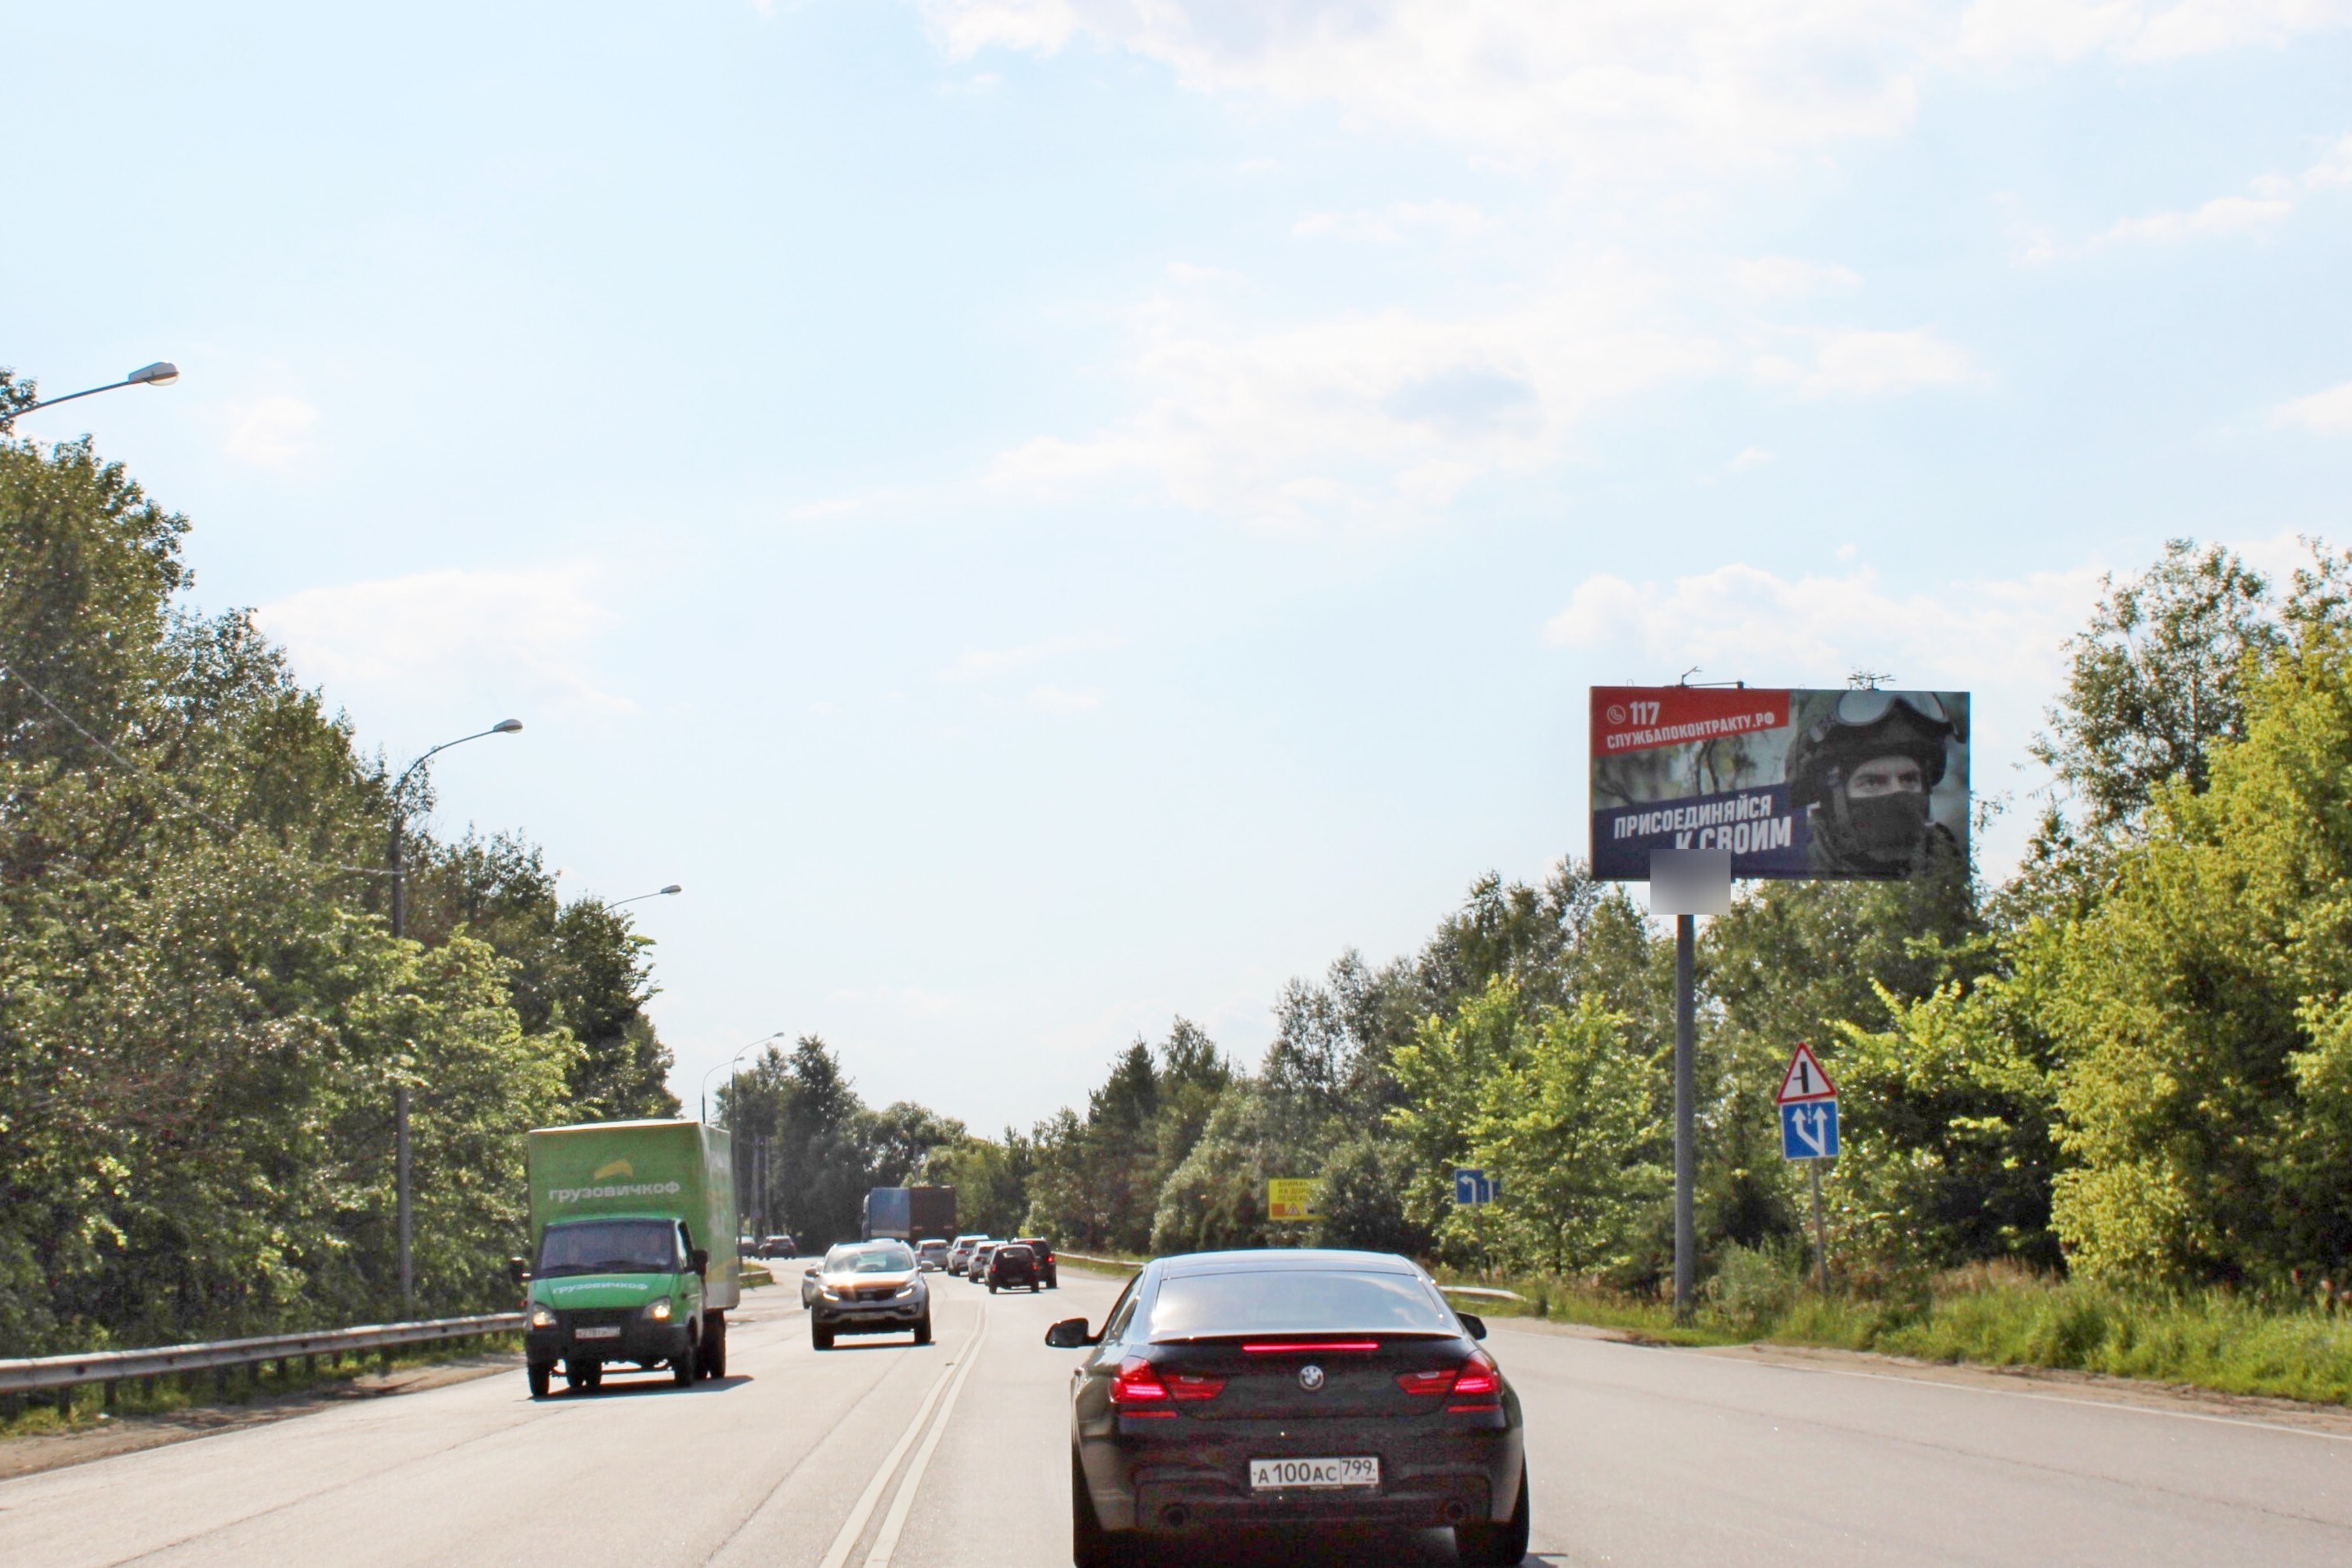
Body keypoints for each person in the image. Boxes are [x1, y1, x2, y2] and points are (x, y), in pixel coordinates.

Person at [1783, 690, 1962, 877]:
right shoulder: (1792, 868)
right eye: (1872, 782)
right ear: (1830, 794)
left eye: (1909, 779)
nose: (1898, 792)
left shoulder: (1949, 864)